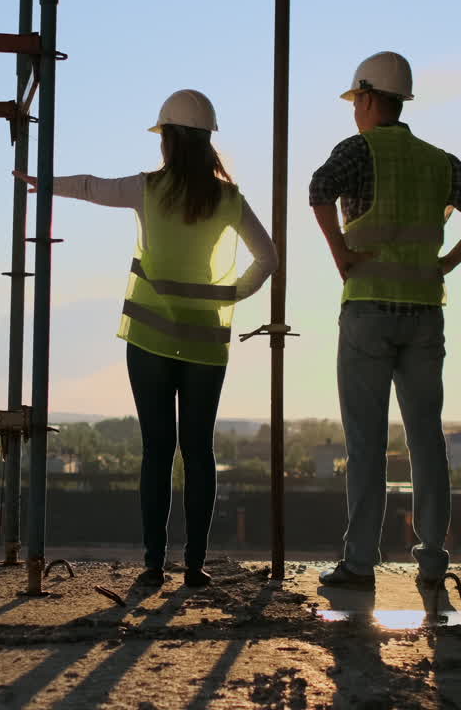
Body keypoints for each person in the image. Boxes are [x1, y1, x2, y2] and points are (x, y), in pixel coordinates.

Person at [15, 89, 278, 587]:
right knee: (199, 451)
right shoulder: (228, 199)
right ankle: (195, 565)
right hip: (205, 341)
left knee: (157, 449)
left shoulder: (146, 189)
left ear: (169, 141)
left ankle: (154, 565)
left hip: (150, 341)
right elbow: (269, 259)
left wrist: (42, 184)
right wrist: (227, 295)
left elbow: (93, 187)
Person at [308, 52, 461, 592]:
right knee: (426, 439)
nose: (355, 111)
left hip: (369, 311)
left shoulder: (357, 150)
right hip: (424, 315)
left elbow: (318, 190)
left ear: (369, 98)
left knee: (366, 443)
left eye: (356, 101)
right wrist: (448, 262)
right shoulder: (437, 161)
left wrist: (339, 254)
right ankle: (433, 560)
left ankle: (358, 563)